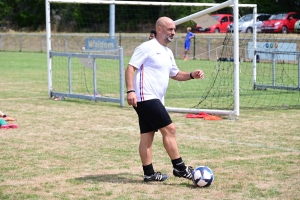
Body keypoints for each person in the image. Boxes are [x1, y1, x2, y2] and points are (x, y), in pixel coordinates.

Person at [125, 16, 204, 182]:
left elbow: (175, 73)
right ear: (159, 29)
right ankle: (180, 168)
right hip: (145, 97)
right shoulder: (147, 47)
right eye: (170, 29)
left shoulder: (168, 52)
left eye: (174, 29)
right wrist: (130, 90)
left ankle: (149, 174)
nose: (173, 32)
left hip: (153, 99)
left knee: (147, 136)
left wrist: (191, 75)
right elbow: (130, 68)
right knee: (170, 129)